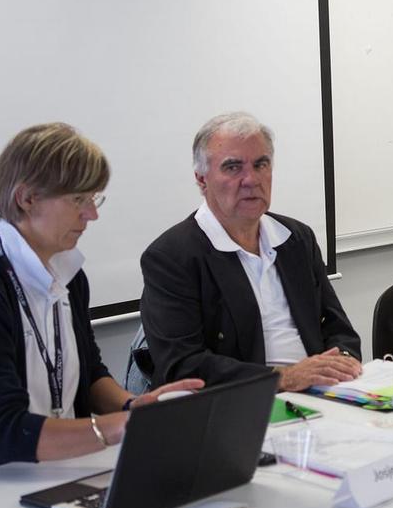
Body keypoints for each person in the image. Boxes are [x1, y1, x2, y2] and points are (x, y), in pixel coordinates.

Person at [0, 123, 201, 484]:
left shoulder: (68, 275)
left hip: (57, 470)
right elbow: (3, 432)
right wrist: (118, 427)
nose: (91, 215)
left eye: (93, 199)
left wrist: (134, 407)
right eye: (78, 200)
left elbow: (90, 372)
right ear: (27, 198)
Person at [140, 112, 362, 391]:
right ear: (201, 179)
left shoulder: (296, 238)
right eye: (233, 167)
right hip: (240, 403)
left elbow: (338, 328)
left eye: (261, 164)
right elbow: (182, 364)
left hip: (318, 390)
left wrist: (341, 362)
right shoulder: (172, 256)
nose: (251, 179)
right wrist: (283, 378)